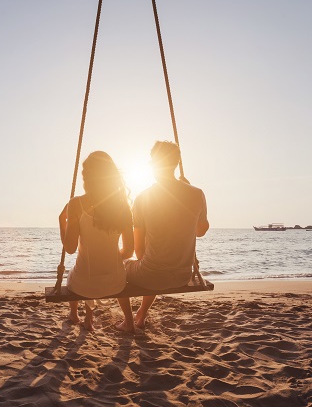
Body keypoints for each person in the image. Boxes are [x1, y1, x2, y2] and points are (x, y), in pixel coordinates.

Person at [120, 141, 209, 330]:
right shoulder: (197, 193)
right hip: (182, 276)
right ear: (176, 163)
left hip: (152, 275)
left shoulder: (143, 198)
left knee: (120, 266)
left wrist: (150, 267)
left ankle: (128, 322)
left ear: (154, 164)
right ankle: (142, 314)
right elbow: (200, 231)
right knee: (153, 259)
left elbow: (138, 250)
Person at [59, 151, 135, 332]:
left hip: (83, 284)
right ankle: (128, 322)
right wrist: (113, 258)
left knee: (78, 272)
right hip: (115, 282)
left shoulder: (76, 204)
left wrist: (62, 222)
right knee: (109, 270)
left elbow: (69, 248)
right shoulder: (123, 206)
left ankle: (76, 315)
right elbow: (129, 251)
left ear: (87, 176)